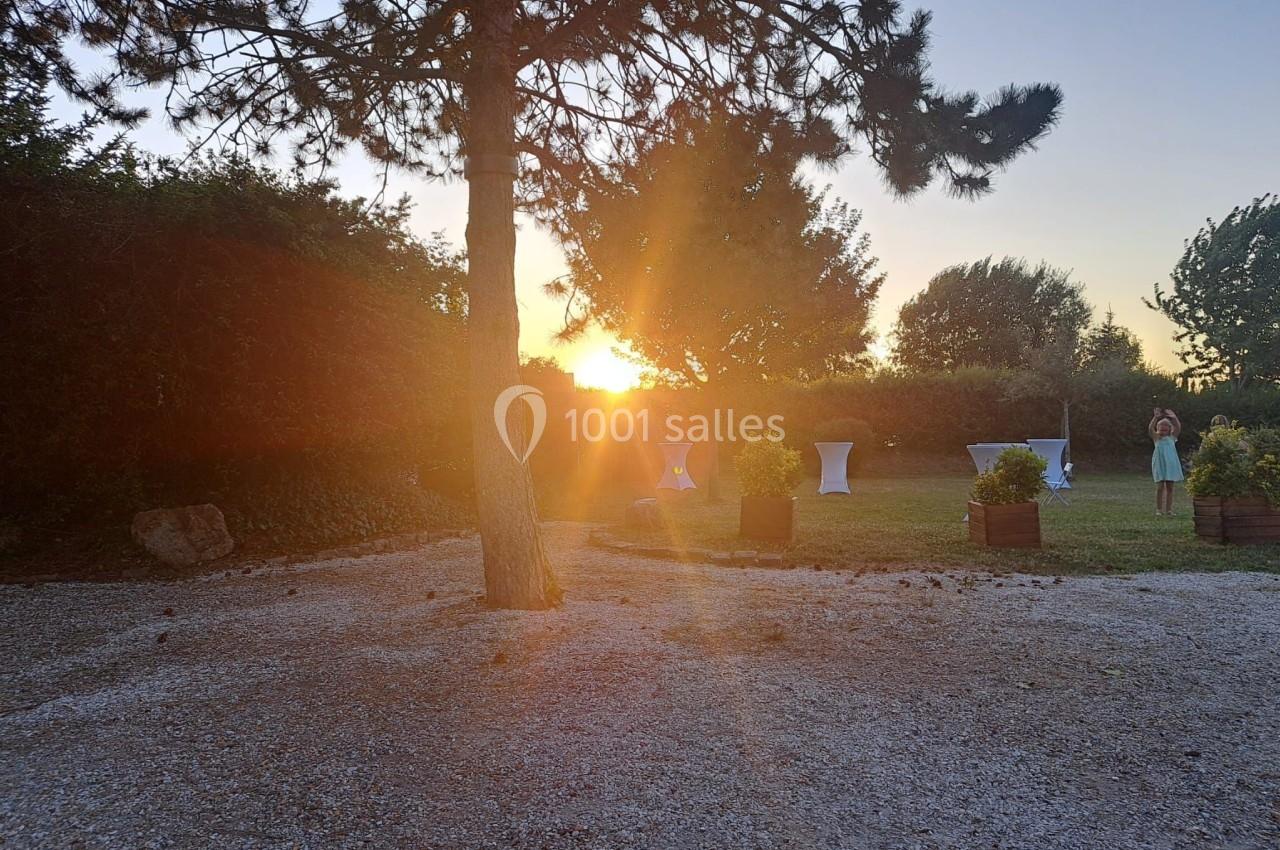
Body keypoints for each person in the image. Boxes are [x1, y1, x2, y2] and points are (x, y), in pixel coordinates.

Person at [1149, 408, 1183, 516]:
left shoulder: (1172, 438)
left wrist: (1174, 418)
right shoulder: (1156, 438)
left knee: (1170, 487)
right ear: (1158, 429)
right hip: (1159, 464)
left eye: (1165, 430)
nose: (1163, 432)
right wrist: (1155, 418)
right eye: (1161, 429)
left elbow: (1178, 427)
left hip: (1171, 465)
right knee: (1160, 487)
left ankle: (1169, 510)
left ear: (1169, 430)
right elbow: (1150, 429)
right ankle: (1159, 509)